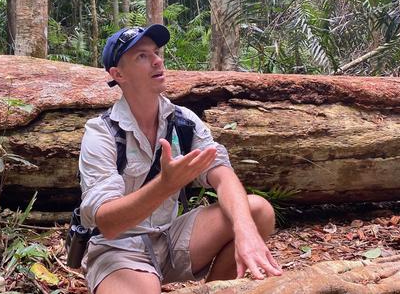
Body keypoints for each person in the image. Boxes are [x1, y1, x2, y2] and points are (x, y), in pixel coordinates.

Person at [78, 24, 282, 294]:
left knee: (257, 211)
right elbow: (107, 223)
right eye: (142, 56)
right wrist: (164, 184)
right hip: (119, 248)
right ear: (118, 74)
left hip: (169, 238)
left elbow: (222, 173)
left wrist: (246, 232)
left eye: (156, 52)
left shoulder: (183, 121)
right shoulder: (102, 133)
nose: (157, 60)